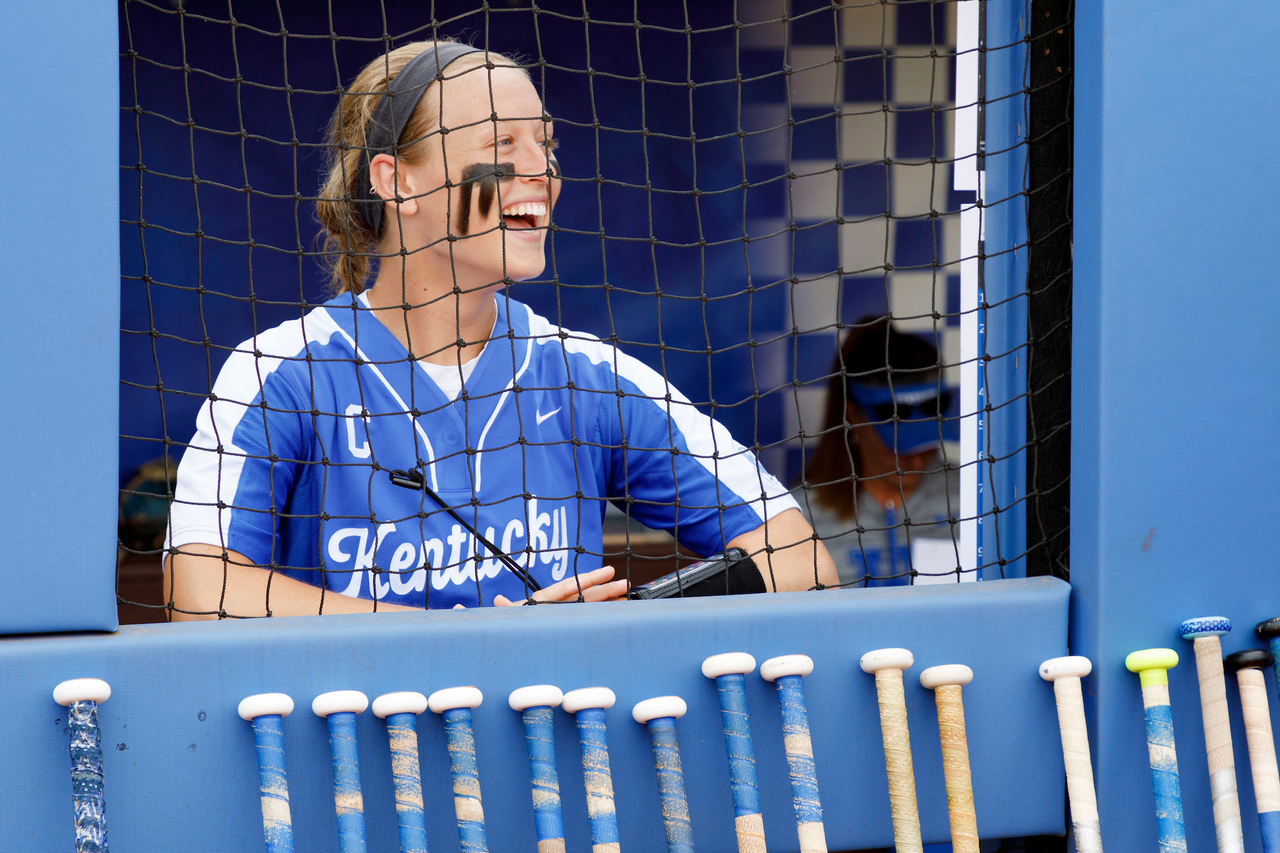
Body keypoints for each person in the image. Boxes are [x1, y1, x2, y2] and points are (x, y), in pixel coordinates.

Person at [165, 39, 836, 619]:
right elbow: (198, 589)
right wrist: (470, 644)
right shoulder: (281, 371)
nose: (542, 171)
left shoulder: (586, 375)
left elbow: (799, 557)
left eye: (546, 143)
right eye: (502, 144)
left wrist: (627, 621)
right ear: (396, 181)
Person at [794, 317, 960, 587]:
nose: (918, 459)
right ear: (852, 417)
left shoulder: (974, 498)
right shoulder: (799, 517)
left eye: (926, 441)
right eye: (900, 446)